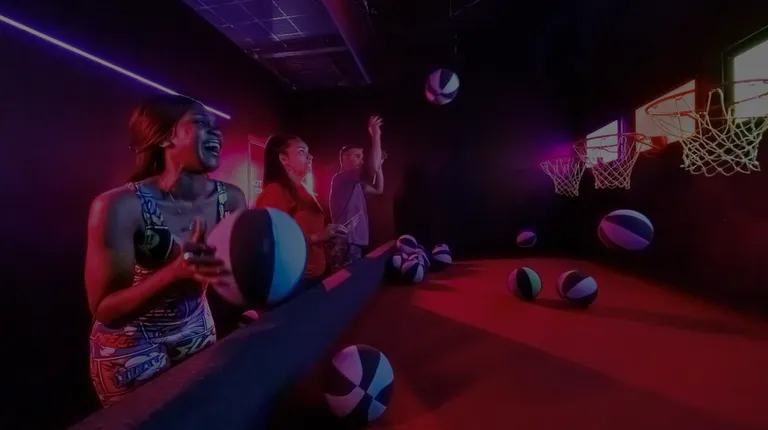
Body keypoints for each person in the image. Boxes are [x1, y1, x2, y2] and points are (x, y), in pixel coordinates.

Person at [84, 94, 247, 407]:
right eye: (201, 123)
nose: (216, 133)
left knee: (199, 416)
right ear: (165, 138)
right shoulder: (119, 206)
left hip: (196, 327)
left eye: (215, 126)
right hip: (129, 346)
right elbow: (106, 310)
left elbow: (237, 275)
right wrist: (175, 273)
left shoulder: (232, 200)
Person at [255, 134, 348, 287]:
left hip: (317, 278)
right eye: (301, 151)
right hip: (295, 284)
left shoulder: (304, 191)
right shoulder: (274, 192)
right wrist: (317, 237)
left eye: (308, 151)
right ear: (283, 159)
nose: (310, 156)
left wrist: (329, 238)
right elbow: (271, 242)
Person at [329, 115, 386, 270]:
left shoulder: (356, 184)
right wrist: (376, 135)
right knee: (342, 279)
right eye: (358, 156)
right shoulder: (342, 178)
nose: (361, 161)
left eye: (362, 157)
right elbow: (372, 167)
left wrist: (379, 166)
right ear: (345, 158)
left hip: (353, 241)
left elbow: (378, 189)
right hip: (345, 241)